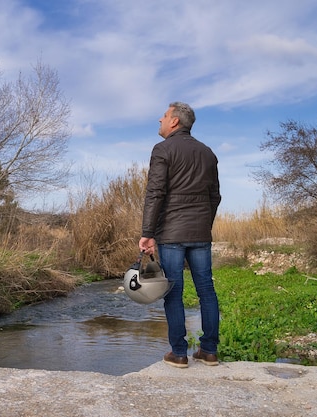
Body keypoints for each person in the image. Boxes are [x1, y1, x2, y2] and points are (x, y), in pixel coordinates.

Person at [139, 102, 221, 368]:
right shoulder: (208, 153)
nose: (159, 120)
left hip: (172, 234)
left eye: (163, 116)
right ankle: (209, 351)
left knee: (173, 291)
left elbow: (155, 193)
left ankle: (179, 353)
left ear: (174, 121)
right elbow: (215, 196)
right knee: (206, 290)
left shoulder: (162, 149)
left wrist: (148, 233)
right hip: (200, 233)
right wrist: (203, 224)